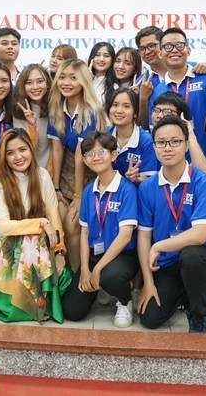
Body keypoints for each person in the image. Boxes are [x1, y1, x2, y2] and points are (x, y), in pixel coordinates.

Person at [137, 116, 206, 333]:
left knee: (191, 256)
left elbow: (200, 235)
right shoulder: (147, 187)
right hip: (168, 262)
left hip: (201, 255)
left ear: (186, 145)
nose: (168, 148)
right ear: (154, 147)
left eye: (175, 141)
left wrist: (159, 246)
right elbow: (144, 236)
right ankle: (187, 292)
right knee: (150, 318)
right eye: (161, 142)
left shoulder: (204, 183)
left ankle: (198, 315)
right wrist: (148, 283)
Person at [0, 128, 69, 322]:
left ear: (31, 149)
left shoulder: (42, 175)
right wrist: (40, 223)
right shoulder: (0, 182)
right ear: (4, 157)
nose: (18, 157)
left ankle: (40, 302)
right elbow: (4, 226)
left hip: (37, 239)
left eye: (22, 149)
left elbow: (53, 215)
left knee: (37, 246)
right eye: (10, 153)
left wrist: (60, 251)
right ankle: (34, 307)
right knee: (32, 243)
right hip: (2, 239)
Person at [61, 131, 139, 327]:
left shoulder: (126, 189)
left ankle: (125, 300)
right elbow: (84, 232)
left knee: (110, 276)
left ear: (113, 155)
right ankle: (100, 286)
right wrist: (85, 269)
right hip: (95, 254)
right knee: (72, 311)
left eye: (101, 152)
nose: (95, 157)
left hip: (122, 255)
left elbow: (125, 236)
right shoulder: (89, 191)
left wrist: (97, 269)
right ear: (84, 160)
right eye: (89, 154)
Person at [47, 58, 108, 271]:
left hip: (91, 169)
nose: (66, 83)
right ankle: (65, 275)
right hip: (66, 171)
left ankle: (78, 274)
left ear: (84, 82)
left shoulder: (91, 111)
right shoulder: (56, 108)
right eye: (62, 77)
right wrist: (55, 188)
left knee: (73, 223)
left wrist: (78, 196)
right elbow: (57, 151)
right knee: (60, 219)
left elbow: (81, 156)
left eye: (73, 78)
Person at [147, 28, 206, 159]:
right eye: (168, 46)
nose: (174, 50)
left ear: (188, 50)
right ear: (160, 53)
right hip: (174, 160)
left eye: (179, 45)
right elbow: (155, 130)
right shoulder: (156, 91)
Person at [149, 92, 206, 174]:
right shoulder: (146, 139)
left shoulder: (184, 143)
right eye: (156, 110)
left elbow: (204, 174)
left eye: (167, 112)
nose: (159, 115)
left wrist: (189, 132)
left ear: (181, 116)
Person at [106, 87, 158, 183]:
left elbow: (150, 180)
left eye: (126, 106)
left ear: (135, 113)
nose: (119, 110)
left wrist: (136, 179)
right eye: (115, 105)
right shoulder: (105, 135)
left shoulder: (146, 141)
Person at [13, 63, 52, 169]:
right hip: (26, 169)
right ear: (23, 86)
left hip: (51, 170)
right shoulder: (19, 110)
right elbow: (24, 148)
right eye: (29, 83)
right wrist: (32, 126)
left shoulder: (55, 107)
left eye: (40, 81)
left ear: (47, 84)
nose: (35, 87)